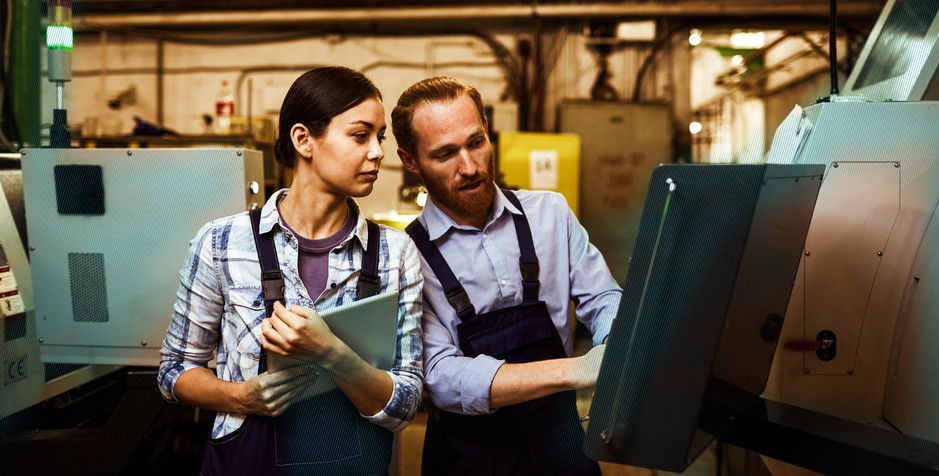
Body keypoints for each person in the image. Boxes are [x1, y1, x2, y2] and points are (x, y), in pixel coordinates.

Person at [158, 66, 423, 475]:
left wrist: (331, 353)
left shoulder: (395, 253)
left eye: (379, 137)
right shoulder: (222, 243)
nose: (377, 152)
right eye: (360, 135)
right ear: (303, 140)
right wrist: (241, 397)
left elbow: (404, 405)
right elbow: (174, 371)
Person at [391, 76, 622, 476]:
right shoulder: (404, 256)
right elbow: (441, 377)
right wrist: (573, 370)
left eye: (476, 142)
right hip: (471, 458)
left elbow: (603, 298)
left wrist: (617, 343)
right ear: (410, 161)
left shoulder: (551, 214)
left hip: (562, 442)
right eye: (445, 154)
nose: (469, 167)